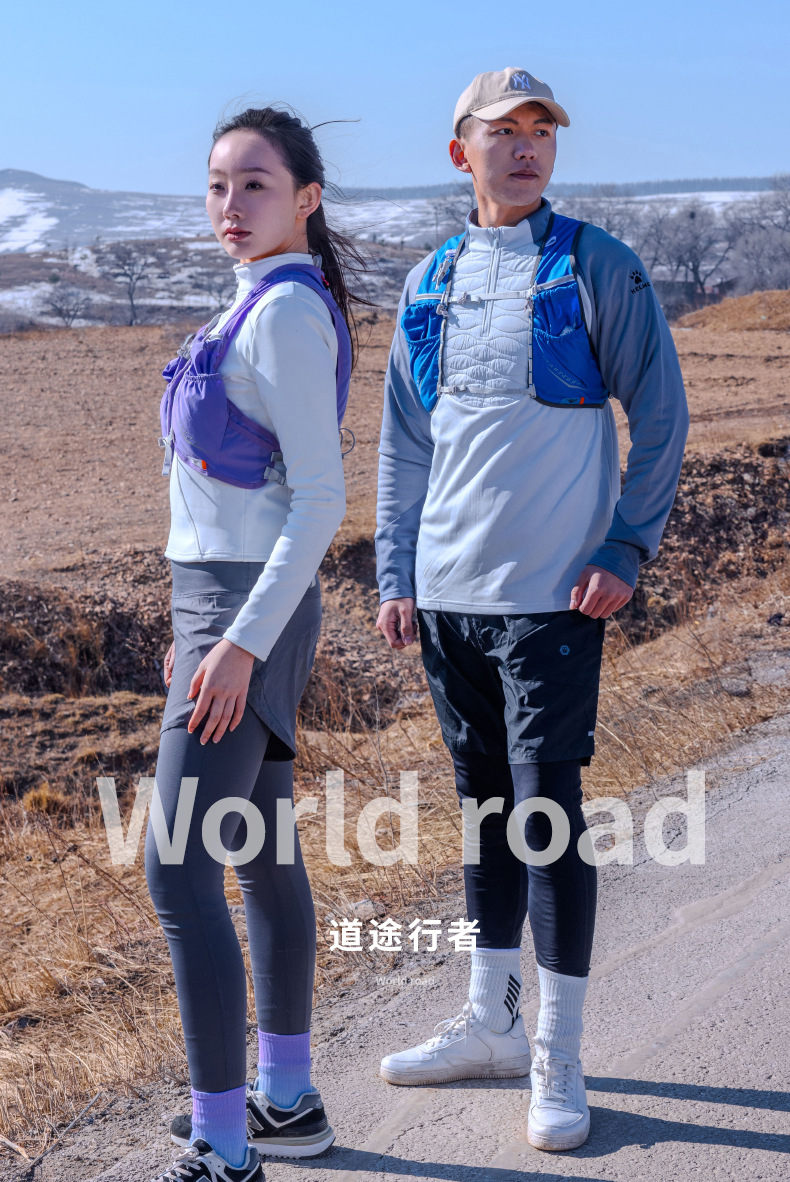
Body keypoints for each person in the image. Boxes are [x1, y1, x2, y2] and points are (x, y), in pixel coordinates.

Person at [374, 68, 689, 1152]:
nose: (524, 147)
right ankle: (490, 1024)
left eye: (540, 131)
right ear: (458, 150)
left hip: (552, 596)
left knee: (546, 816)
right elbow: (404, 442)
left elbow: (661, 413)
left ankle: (557, 1052)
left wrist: (625, 545)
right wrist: (396, 573)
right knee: (482, 815)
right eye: (501, 131)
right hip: (448, 596)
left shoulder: (599, 266)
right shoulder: (427, 280)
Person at [145, 106, 360, 1182]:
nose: (231, 205)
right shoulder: (258, 300)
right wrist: (198, 626)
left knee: (177, 870)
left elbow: (321, 499)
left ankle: (225, 1149)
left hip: (245, 613)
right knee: (261, 854)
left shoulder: (283, 315)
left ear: (305, 198)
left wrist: (232, 643)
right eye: (219, 184)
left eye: (256, 184)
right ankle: (284, 1101)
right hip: (221, 606)